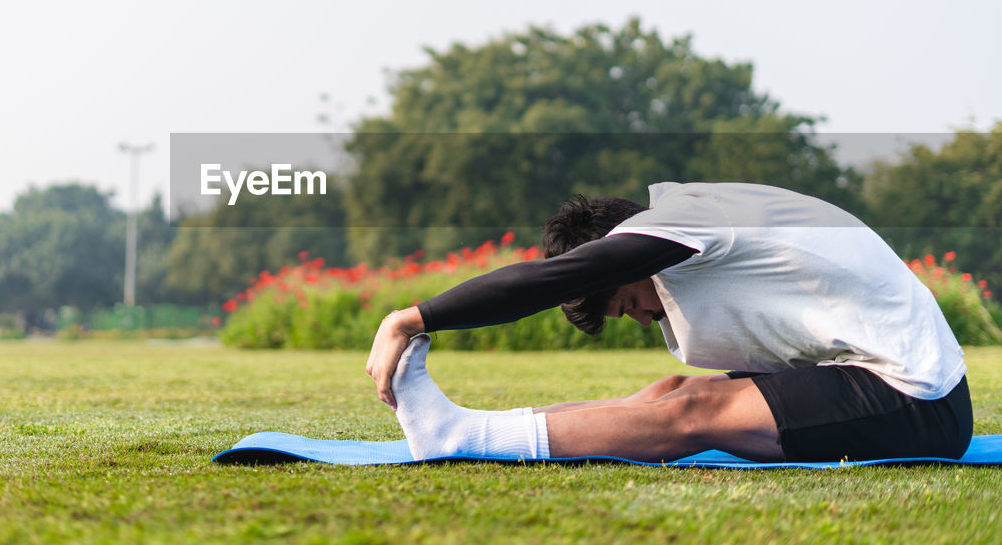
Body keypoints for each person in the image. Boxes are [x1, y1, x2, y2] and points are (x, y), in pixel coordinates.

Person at [366, 182, 973, 463]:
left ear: (626, 244)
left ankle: (460, 438)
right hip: (870, 374)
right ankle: (464, 427)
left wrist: (412, 319)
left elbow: (559, 278)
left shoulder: (689, 222)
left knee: (692, 416)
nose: (637, 318)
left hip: (917, 398)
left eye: (624, 301)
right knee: (672, 392)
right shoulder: (702, 211)